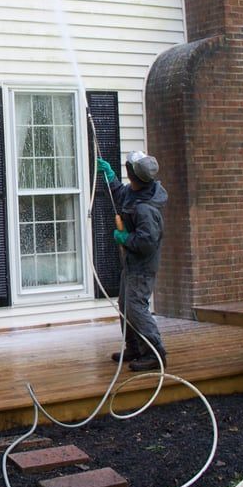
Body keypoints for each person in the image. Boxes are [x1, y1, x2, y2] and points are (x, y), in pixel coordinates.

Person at [96, 151, 168, 372]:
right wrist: (110, 177)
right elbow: (121, 195)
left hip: (142, 267)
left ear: (134, 175)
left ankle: (155, 353)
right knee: (125, 305)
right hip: (131, 264)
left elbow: (147, 242)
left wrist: (125, 238)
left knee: (136, 308)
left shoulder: (146, 208)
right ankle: (134, 348)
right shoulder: (138, 192)